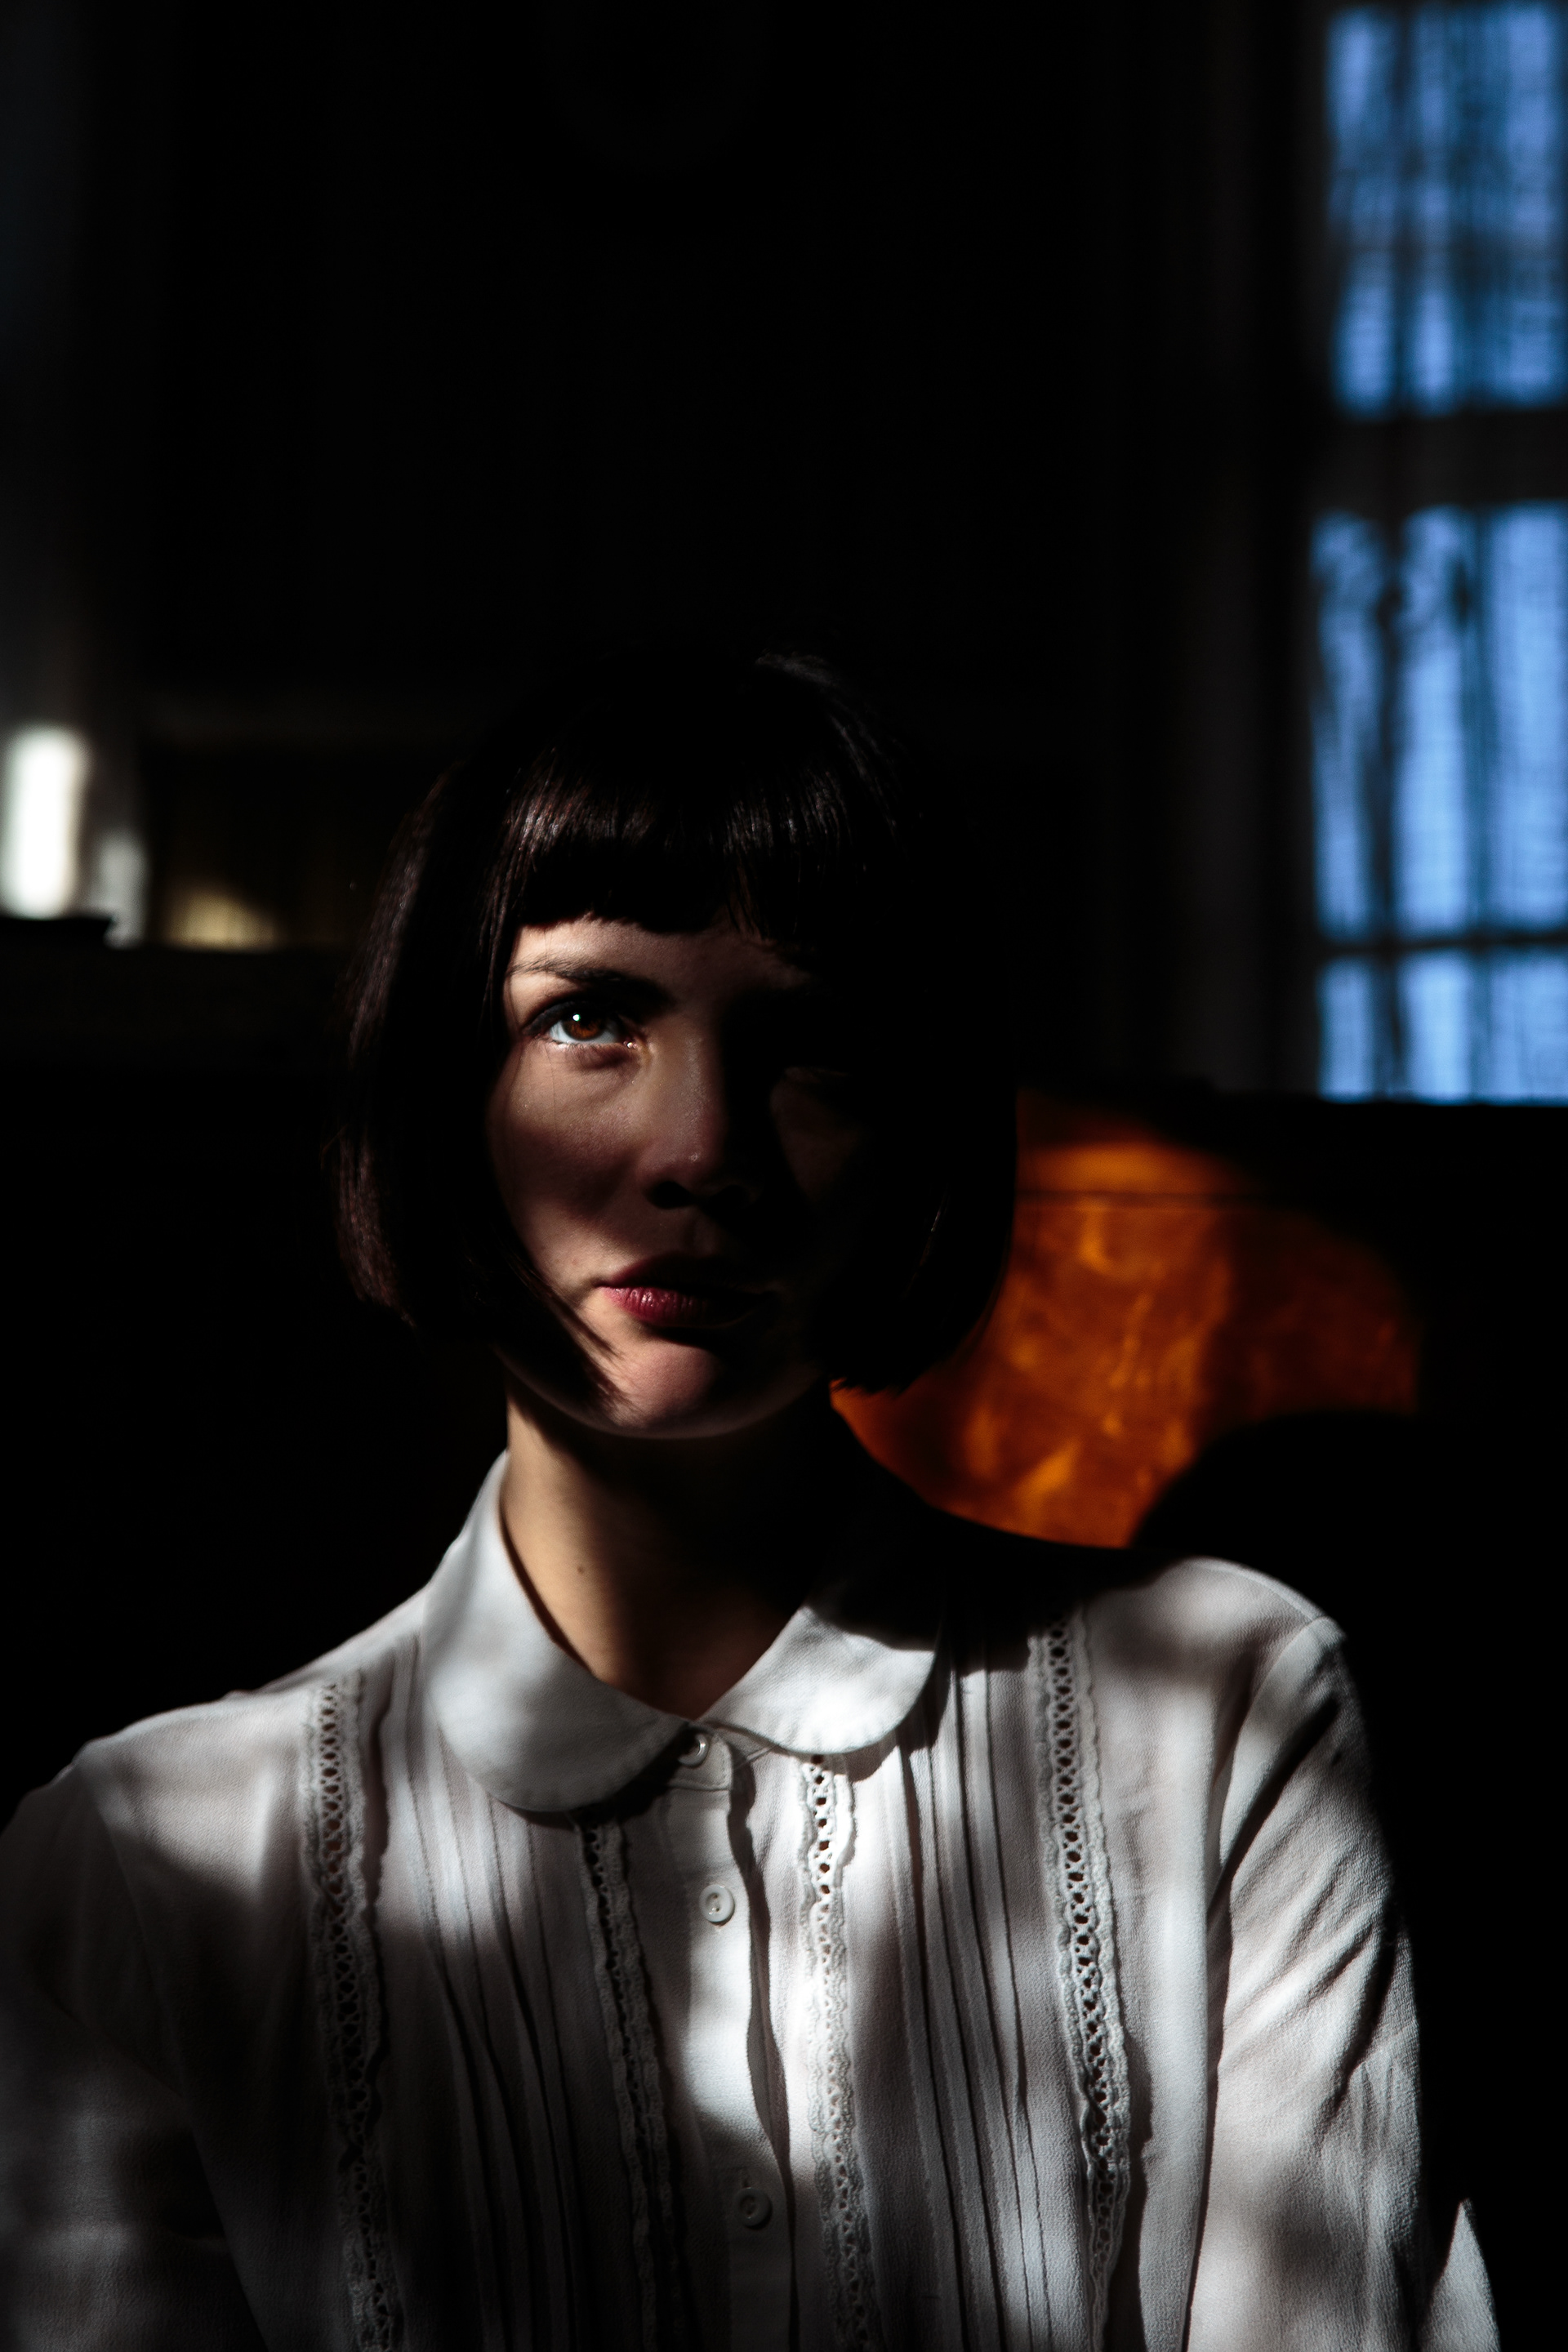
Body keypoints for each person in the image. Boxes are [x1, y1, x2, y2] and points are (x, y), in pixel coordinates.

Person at [0, 648, 1494, 2351]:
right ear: (443, 1088)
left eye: (814, 1046)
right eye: (589, 1019)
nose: (702, 1148)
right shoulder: (139, 1871)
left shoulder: (1227, 1719)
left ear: (917, 1132)